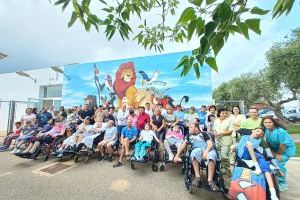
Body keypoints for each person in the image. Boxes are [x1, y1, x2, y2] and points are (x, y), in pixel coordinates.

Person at [233, 127, 279, 200]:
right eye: (258, 131)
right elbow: (239, 146)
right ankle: (257, 167)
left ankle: (273, 193)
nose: (259, 133)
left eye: (261, 133)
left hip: (255, 155)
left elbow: (267, 151)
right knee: (248, 143)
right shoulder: (244, 137)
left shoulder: (260, 141)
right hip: (244, 154)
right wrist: (233, 147)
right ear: (253, 130)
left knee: (265, 166)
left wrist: (275, 164)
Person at [174, 123, 219, 191]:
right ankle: (197, 177)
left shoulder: (204, 133)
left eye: (191, 127)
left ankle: (210, 181)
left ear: (197, 128)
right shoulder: (189, 136)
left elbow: (210, 143)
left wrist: (206, 151)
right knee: (194, 153)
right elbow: (183, 145)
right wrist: (177, 155)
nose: (189, 129)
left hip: (207, 148)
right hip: (197, 149)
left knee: (211, 155)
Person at [262, 116, 296, 192]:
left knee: (278, 163)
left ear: (274, 122)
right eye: (265, 122)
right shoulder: (267, 130)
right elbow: (268, 143)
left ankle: (282, 183)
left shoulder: (281, 131)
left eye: (269, 122)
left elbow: (283, 145)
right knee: (267, 160)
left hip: (285, 151)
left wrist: (278, 154)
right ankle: (274, 179)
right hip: (276, 150)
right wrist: (272, 152)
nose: (267, 124)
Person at [214, 108, 234, 177]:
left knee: (224, 156)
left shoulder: (229, 120)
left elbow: (231, 131)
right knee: (219, 156)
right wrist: (216, 133)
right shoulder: (216, 120)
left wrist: (221, 133)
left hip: (226, 140)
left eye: (226, 113)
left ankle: (228, 170)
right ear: (219, 113)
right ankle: (223, 170)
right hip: (217, 140)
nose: (224, 114)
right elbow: (214, 129)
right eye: (223, 113)